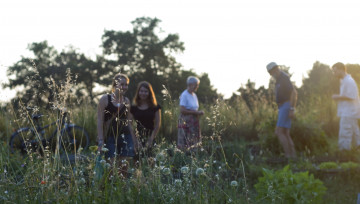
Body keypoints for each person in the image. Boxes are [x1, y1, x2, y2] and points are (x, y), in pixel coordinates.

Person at [97, 73, 137, 177]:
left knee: (124, 167)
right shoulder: (105, 99)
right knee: (110, 167)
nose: (124, 87)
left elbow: (129, 122)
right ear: (115, 84)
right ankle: (111, 188)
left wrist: (134, 140)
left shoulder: (126, 101)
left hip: (125, 136)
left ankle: (122, 188)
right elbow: (100, 121)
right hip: (110, 136)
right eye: (122, 84)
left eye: (126, 84)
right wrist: (101, 140)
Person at [266, 62, 297, 158]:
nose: (271, 75)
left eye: (271, 73)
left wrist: (292, 108)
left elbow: (293, 93)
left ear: (275, 69)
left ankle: (288, 155)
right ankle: (293, 156)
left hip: (286, 106)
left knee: (279, 132)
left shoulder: (284, 78)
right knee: (285, 133)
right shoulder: (279, 79)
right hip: (283, 107)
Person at [332, 62, 360, 150]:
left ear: (341, 70)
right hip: (349, 112)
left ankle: (344, 153)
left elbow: (352, 96)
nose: (334, 74)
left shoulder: (349, 81)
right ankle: (357, 151)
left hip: (348, 112)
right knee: (355, 134)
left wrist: (337, 97)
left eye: (335, 71)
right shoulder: (344, 81)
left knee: (345, 133)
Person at [130, 81, 161, 157]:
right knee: (137, 163)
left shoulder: (155, 107)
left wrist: (150, 140)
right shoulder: (133, 107)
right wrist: (135, 141)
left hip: (151, 136)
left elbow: (158, 124)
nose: (143, 93)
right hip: (137, 138)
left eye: (146, 91)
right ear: (138, 92)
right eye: (141, 91)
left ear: (150, 93)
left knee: (151, 163)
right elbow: (129, 125)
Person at [177, 76, 204, 151]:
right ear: (191, 84)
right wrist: (196, 112)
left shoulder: (194, 95)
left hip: (194, 120)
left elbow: (194, 108)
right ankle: (184, 157)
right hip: (185, 120)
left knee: (194, 140)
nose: (197, 86)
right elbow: (182, 110)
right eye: (196, 85)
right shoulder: (184, 94)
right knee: (185, 141)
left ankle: (194, 156)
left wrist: (198, 113)